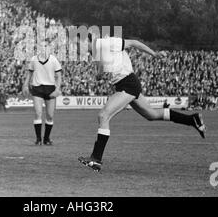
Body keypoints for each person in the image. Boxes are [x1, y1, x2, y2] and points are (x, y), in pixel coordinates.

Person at [78, 35, 206, 172]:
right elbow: (102, 71)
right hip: (124, 85)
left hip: (128, 83)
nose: (78, 48)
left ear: (86, 40)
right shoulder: (96, 52)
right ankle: (192, 119)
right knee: (152, 114)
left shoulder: (105, 43)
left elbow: (133, 43)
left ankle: (96, 159)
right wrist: (100, 74)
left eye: (78, 43)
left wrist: (154, 54)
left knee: (103, 115)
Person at [22, 44, 62, 146]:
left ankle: (47, 138)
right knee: (38, 113)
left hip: (50, 89)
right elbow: (29, 74)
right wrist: (25, 85)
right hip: (37, 88)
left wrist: (57, 89)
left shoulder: (53, 60)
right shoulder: (34, 59)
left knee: (50, 115)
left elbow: (58, 76)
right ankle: (38, 139)